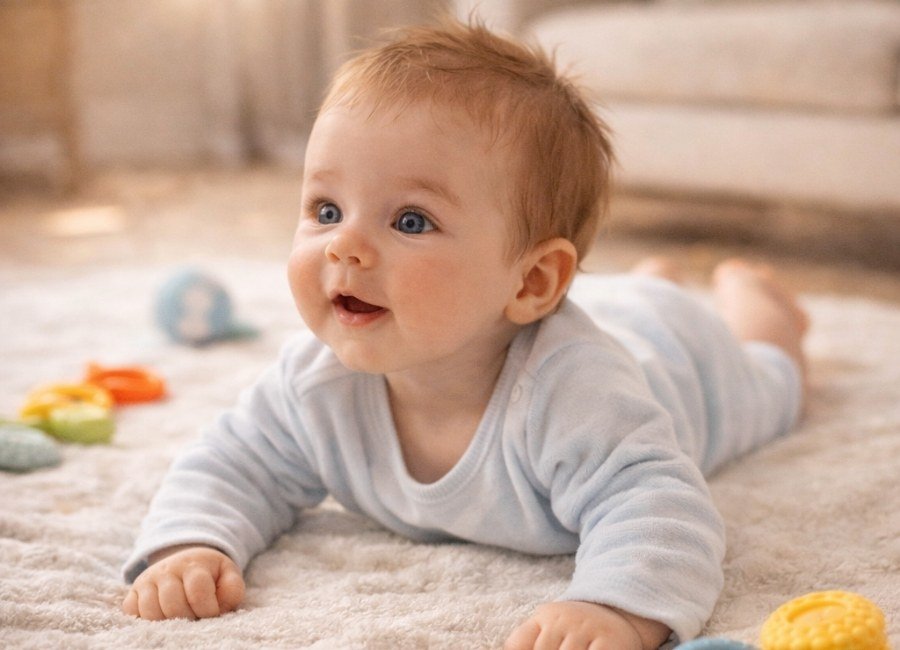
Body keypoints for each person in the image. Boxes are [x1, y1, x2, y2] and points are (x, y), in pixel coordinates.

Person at [121, 19, 808, 650]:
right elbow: (236, 461)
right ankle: (653, 276)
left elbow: (662, 509)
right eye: (326, 209)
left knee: (775, 380)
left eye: (411, 221)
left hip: (678, 355)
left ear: (533, 282)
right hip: (597, 304)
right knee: (635, 292)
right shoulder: (316, 380)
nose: (346, 247)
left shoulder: (576, 395)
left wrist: (616, 610)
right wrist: (191, 544)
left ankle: (756, 308)